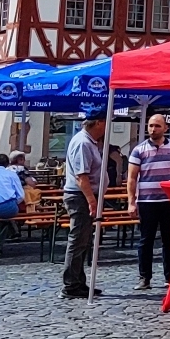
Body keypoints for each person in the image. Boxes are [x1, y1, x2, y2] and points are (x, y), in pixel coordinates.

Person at [126, 113, 170, 290]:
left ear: (165, 128)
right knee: (146, 240)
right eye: (151, 126)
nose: (153, 129)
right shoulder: (139, 150)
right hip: (147, 201)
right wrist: (131, 202)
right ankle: (144, 277)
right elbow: (131, 177)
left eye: (157, 126)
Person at [62, 113, 106, 299]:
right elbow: (82, 177)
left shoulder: (88, 142)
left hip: (84, 196)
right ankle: (71, 285)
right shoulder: (83, 143)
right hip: (80, 197)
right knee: (78, 239)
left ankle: (78, 282)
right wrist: (92, 201)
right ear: (98, 123)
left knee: (83, 240)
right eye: (106, 123)